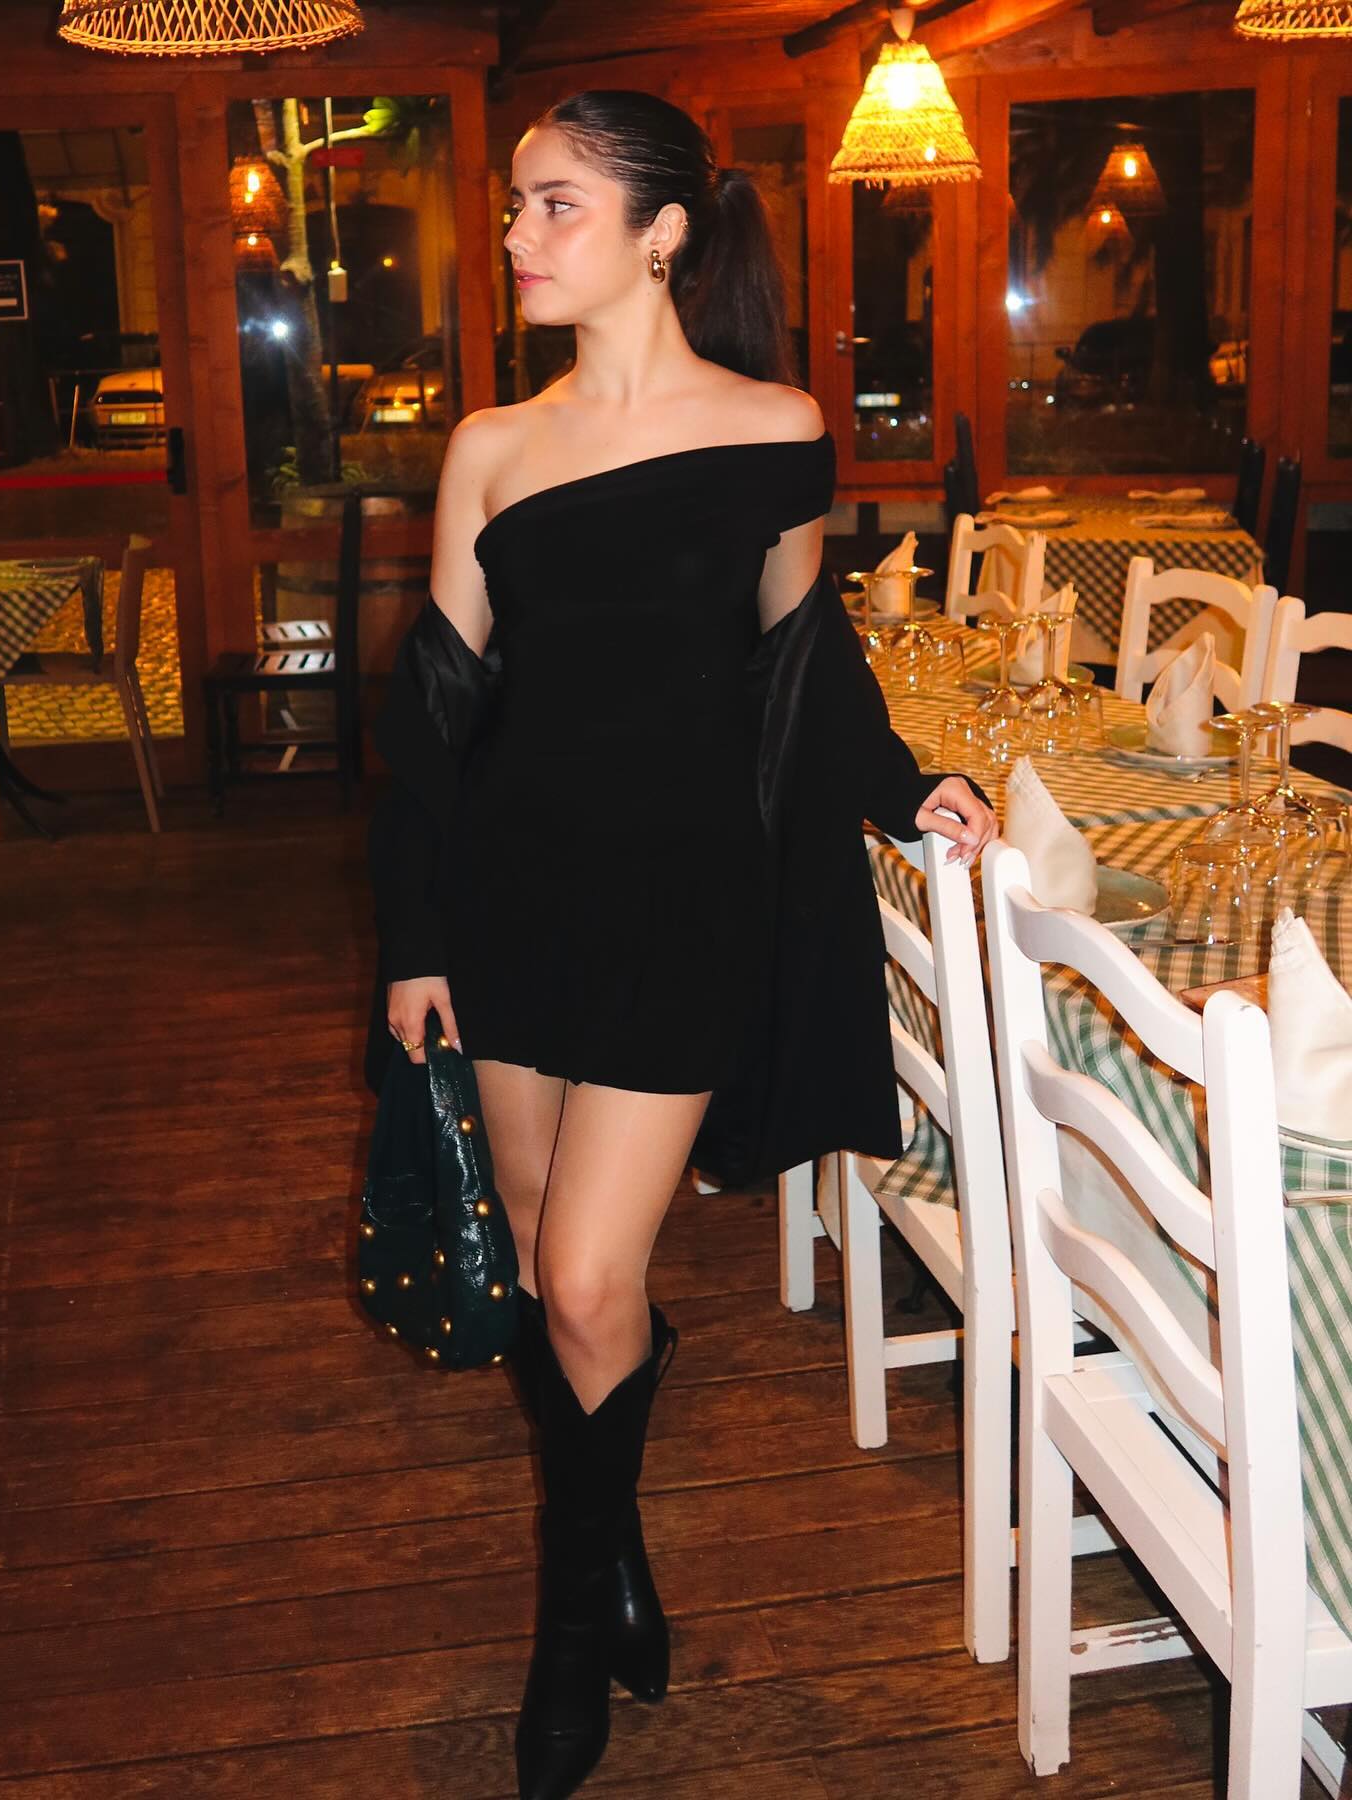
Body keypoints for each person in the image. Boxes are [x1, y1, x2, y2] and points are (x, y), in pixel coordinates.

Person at [366, 89, 997, 1800]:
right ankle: (618, 1543)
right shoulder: (492, 445)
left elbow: (804, 653)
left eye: (553, 204)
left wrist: (903, 783)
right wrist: (415, 934)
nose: (515, 237)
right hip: (508, 898)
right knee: (547, 1270)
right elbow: (436, 718)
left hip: (685, 902)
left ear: (661, 234)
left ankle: (570, 1630)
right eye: (515, 205)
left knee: (588, 1279)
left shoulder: (779, 427)